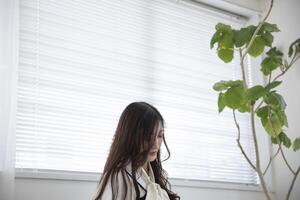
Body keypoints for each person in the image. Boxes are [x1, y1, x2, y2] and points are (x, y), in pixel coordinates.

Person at [94, 102, 180, 200]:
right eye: (148, 137)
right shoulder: (119, 178)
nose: (156, 144)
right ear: (130, 137)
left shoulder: (156, 174)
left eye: (160, 135)